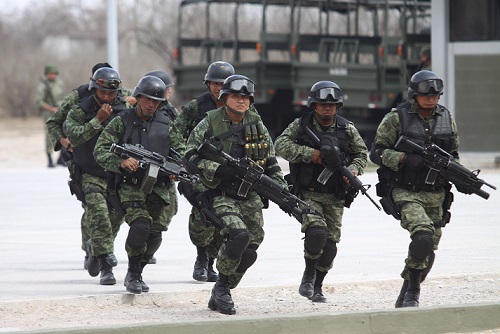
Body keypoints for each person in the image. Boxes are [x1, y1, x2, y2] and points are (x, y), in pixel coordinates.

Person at [184, 74, 287, 315]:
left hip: (249, 194)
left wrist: (280, 188)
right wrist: (218, 169)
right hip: (219, 192)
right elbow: (189, 156)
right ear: (225, 97)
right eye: (236, 96)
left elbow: (270, 159)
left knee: (251, 247)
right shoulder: (210, 121)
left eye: (246, 97)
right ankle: (222, 289)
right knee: (238, 236)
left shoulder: (256, 123)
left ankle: (223, 287)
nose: (241, 101)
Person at [369, 70, 460, 308]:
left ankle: (406, 292)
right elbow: (376, 152)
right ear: (414, 95)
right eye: (425, 95)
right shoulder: (396, 118)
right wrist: (404, 159)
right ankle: (414, 291)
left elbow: (454, 155)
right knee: (422, 236)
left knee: (428, 249)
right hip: (405, 190)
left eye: (436, 95)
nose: (431, 99)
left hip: (436, 194)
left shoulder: (446, 118)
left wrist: (462, 177)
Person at [274, 81, 368, 303]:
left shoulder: (346, 129)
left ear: (338, 106)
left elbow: (362, 153)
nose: (328, 108)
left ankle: (317, 284)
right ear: (314, 105)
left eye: (332, 105)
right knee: (316, 232)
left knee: (330, 246)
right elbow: (280, 145)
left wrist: (353, 170)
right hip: (308, 192)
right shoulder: (301, 126)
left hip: (335, 195)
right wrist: (310, 154)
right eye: (323, 104)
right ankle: (308, 274)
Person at [94, 75, 186, 294]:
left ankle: (138, 269)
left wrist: (177, 170)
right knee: (140, 225)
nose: (152, 104)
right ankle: (133, 274)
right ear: (138, 97)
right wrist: (121, 162)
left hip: (157, 186)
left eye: (156, 101)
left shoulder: (166, 125)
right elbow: (100, 150)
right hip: (130, 184)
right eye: (147, 99)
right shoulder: (122, 121)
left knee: (155, 234)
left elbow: (181, 152)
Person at [46, 62, 130, 269]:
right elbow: (54, 122)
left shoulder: (121, 97)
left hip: (112, 165)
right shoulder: (78, 97)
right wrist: (65, 142)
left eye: (111, 89)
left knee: (113, 212)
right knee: (93, 208)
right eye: (101, 87)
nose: (107, 94)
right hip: (84, 160)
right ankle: (91, 250)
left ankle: (99, 246)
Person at [174, 61, 235, 282]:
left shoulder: (239, 104)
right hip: (199, 169)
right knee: (203, 213)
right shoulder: (196, 107)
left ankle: (211, 261)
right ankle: (201, 259)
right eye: (214, 83)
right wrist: (185, 161)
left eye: (222, 84)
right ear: (208, 84)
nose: (218, 88)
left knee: (224, 217)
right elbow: (176, 133)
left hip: (227, 171)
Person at [142, 69, 180, 265]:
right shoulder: (144, 110)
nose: (169, 93)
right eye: (167, 89)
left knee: (170, 209)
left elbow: (178, 141)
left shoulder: (170, 111)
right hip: (141, 171)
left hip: (164, 171)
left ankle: (149, 245)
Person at [36, 64, 66, 168]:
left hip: (60, 111)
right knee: (50, 135)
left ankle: (61, 158)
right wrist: (51, 108)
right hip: (48, 112)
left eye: (54, 73)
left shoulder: (59, 82)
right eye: (50, 74)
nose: (52, 75)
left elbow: (62, 97)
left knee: (63, 132)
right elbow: (39, 101)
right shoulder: (43, 85)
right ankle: (49, 158)